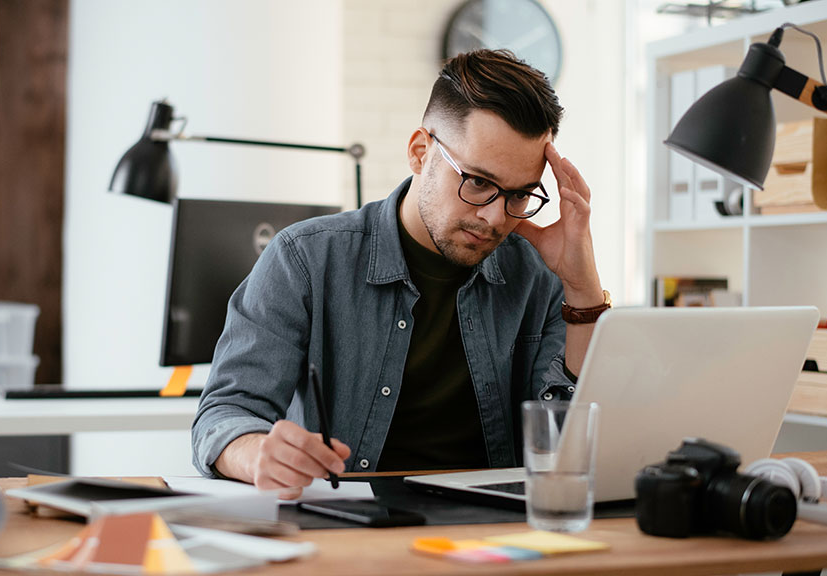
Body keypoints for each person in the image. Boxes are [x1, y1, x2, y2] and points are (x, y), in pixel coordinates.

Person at [191, 49, 606, 498]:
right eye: (478, 183)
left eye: (519, 195)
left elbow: (567, 449)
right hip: (350, 530)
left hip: (491, 533)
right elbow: (224, 415)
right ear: (420, 153)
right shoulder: (305, 259)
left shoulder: (538, 274)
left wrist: (582, 290)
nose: (494, 218)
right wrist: (257, 454)